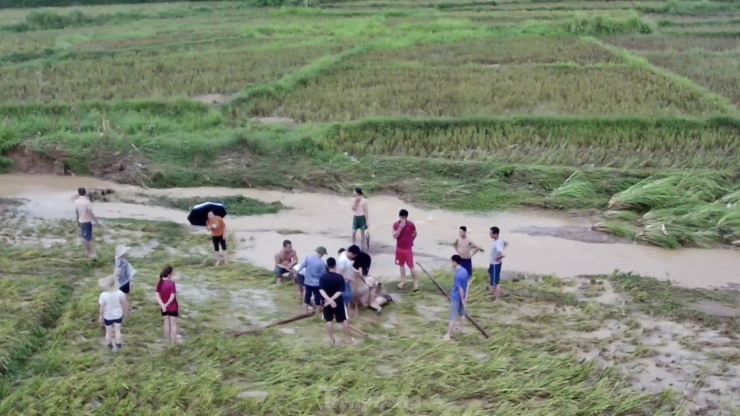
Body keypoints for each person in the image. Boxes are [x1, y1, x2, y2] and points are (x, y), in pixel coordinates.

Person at [319, 257, 352, 345]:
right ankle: (347, 338)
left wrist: (329, 300)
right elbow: (340, 291)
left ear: (327, 266)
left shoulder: (323, 277)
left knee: (328, 320)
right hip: (338, 302)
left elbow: (321, 290)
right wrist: (333, 300)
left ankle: (331, 339)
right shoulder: (339, 277)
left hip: (326, 302)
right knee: (343, 320)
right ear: (335, 265)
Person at [98, 274, 129, 351]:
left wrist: (101, 316)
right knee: (117, 330)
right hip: (118, 315)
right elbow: (124, 303)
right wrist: (126, 312)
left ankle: (109, 345)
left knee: (108, 332)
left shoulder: (103, 295)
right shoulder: (120, 293)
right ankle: (118, 345)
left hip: (107, 316)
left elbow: (101, 307)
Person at [443, 255, 469, 341]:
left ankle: (448, 335)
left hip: (457, 297)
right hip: (463, 296)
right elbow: (467, 284)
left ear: (455, 262)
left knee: (452, 317)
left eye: (451, 261)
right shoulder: (465, 271)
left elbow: (459, 288)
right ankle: (462, 330)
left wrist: (462, 299)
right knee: (462, 314)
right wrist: (466, 297)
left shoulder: (458, 274)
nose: (451, 263)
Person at [297, 246, 328, 314]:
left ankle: (305, 313)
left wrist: (297, 272)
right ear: (322, 253)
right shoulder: (322, 263)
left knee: (306, 300)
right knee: (317, 301)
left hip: (307, 282)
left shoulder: (308, 258)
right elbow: (323, 275)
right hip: (316, 284)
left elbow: (301, 266)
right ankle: (317, 315)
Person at [393, 209, 418, 291]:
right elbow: (394, 236)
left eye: (403, 217)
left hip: (408, 249)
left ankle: (416, 282)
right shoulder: (396, 224)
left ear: (405, 217)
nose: (401, 219)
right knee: (401, 265)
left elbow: (415, 233)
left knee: (411, 266)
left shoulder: (411, 224)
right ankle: (404, 280)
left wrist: (411, 240)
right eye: (400, 217)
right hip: (399, 248)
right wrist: (400, 227)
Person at [156, 266, 179, 344]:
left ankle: (167, 339)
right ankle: (173, 342)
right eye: (173, 273)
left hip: (163, 308)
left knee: (166, 323)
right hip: (172, 307)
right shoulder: (172, 283)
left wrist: (163, 305)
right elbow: (172, 297)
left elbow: (157, 296)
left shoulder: (159, 282)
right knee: (173, 325)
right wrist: (166, 305)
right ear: (169, 275)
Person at [75, 187, 100, 258]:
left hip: (81, 221)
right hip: (87, 221)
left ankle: (88, 251)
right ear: (85, 193)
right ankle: (89, 253)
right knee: (87, 238)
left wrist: (77, 220)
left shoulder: (76, 201)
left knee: (85, 237)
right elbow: (90, 212)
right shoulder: (87, 202)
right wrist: (96, 221)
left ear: (78, 193)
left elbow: (76, 212)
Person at [489, 226, 508, 301]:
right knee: (490, 274)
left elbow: (504, 254)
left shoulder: (497, 244)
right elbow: (506, 243)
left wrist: (498, 258)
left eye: (491, 233)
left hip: (495, 264)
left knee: (496, 282)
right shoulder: (501, 240)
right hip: (494, 264)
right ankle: (492, 290)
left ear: (495, 234)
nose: (490, 235)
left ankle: (497, 299)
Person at [337, 248, 357, 317]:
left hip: (347, 280)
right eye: (354, 255)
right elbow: (339, 273)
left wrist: (355, 270)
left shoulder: (345, 254)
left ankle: (346, 311)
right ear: (351, 253)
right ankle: (343, 313)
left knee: (348, 296)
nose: (354, 257)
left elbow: (349, 266)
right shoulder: (343, 260)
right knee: (346, 296)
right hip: (344, 281)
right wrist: (349, 278)